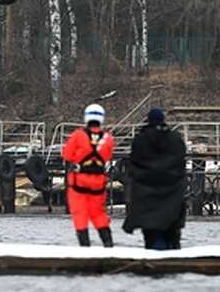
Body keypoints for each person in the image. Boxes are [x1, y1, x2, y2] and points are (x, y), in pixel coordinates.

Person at [122, 108, 187, 250]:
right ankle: (172, 256)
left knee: (151, 233)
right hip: (171, 192)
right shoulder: (175, 139)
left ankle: (154, 256)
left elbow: (134, 162)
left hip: (146, 193)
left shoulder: (140, 139)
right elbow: (180, 161)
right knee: (172, 233)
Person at [62, 104, 115, 247]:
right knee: (98, 214)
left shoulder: (78, 135)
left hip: (79, 181)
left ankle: (85, 246)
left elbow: (67, 155)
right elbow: (108, 156)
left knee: (80, 214)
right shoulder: (108, 138)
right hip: (98, 182)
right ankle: (108, 243)